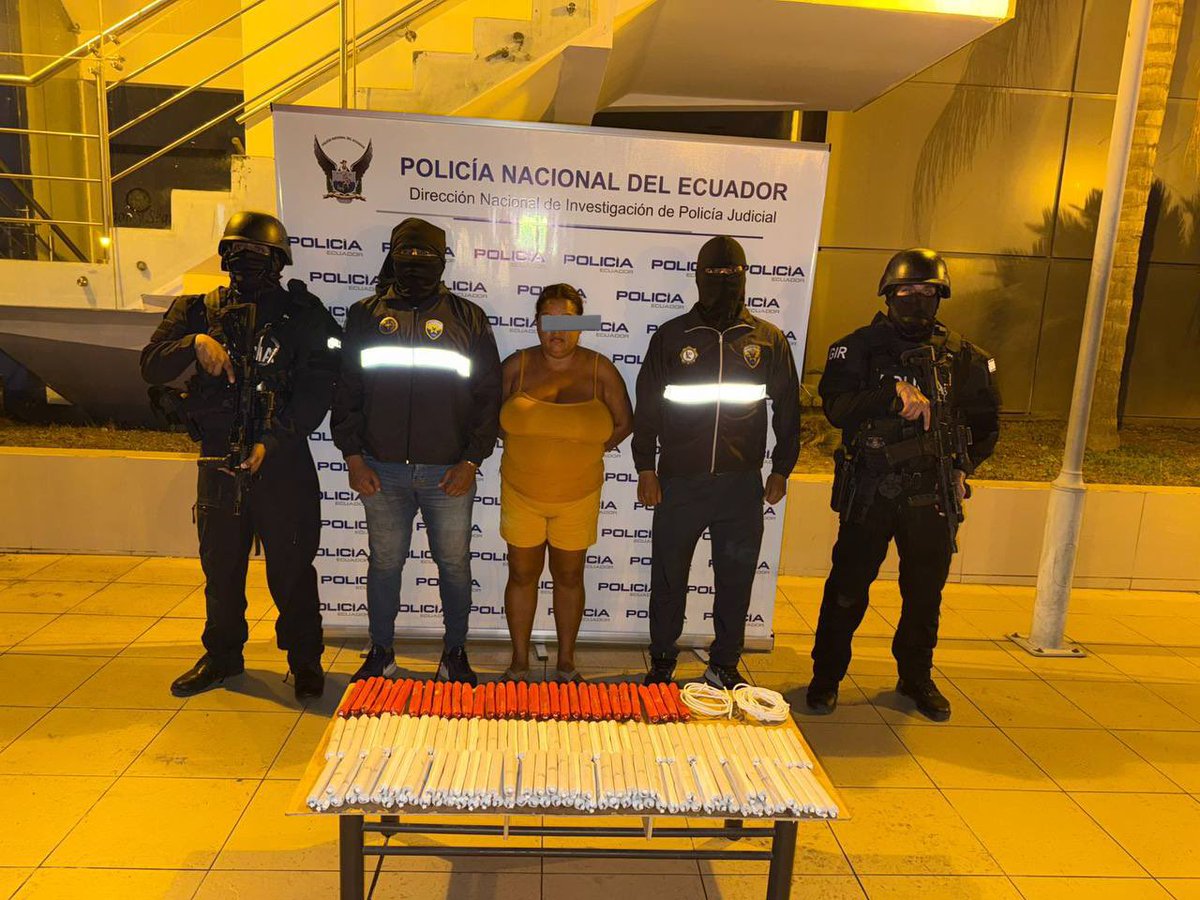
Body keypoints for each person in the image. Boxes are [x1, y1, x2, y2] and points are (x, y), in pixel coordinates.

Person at [140, 211, 342, 701]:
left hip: (282, 461)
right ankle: (223, 656)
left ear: (279, 260)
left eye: (258, 254)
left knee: (292, 570)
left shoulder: (304, 314)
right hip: (219, 459)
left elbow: (320, 388)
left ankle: (305, 659)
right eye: (237, 252)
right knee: (221, 569)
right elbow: (151, 364)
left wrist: (273, 440)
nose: (246, 261)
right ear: (224, 257)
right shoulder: (198, 310)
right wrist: (195, 343)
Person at [806, 248, 1000, 722]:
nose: (916, 299)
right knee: (847, 590)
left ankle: (915, 677)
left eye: (927, 291)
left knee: (924, 596)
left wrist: (963, 467)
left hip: (931, 495)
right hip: (871, 491)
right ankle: (826, 677)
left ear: (940, 296)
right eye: (907, 291)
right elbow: (837, 408)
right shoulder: (856, 348)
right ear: (889, 294)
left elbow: (986, 424)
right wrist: (889, 395)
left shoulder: (965, 357)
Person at [332, 217, 502, 685]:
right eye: (406, 256)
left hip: (448, 471)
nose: (415, 266)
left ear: (442, 261)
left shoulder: (468, 317)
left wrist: (472, 460)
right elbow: (346, 390)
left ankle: (455, 653)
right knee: (385, 565)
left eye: (425, 258)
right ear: (392, 257)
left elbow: (489, 396)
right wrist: (353, 458)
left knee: (454, 566)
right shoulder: (365, 315)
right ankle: (381, 651)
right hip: (380, 469)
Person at [634, 235, 801, 689]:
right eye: (714, 274)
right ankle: (662, 659)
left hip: (740, 486)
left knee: (735, 579)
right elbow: (647, 407)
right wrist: (645, 467)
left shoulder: (767, 339)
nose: (724, 282)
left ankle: (725, 663)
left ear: (745, 278)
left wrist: (781, 468)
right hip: (679, 483)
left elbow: (788, 409)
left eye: (732, 274)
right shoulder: (672, 336)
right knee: (668, 578)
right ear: (698, 277)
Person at [499, 284, 634, 682]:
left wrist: (585, 450)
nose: (557, 332)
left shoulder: (600, 370)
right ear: (536, 323)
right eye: (549, 321)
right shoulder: (516, 366)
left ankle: (567, 663)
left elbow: (625, 422)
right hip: (521, 493)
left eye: (568, 321)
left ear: (582, 325)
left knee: (570, 577)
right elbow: (488, 418)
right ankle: (519, 662)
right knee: (521, 575)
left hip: (579, 496)